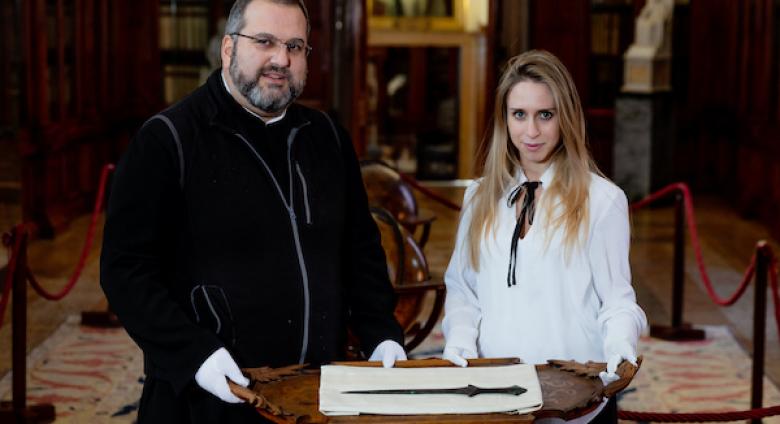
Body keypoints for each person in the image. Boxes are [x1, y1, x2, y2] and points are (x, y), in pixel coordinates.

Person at [100, 0, 406, 422]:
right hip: (208, 395)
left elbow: (361, 252)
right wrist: (193, 355)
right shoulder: (166, 140)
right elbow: (125, 272)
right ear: (228, 48)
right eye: (265, 41)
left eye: (296, 47)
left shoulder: (328, 138)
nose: (281, 59)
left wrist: (381, 333)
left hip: (317, 395)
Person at [441, 50, 647, 423]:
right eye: (519, 114)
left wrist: (620, 345)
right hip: (495, 394)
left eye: (545, 115)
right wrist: (459, 340)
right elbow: (462, 290)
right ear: (505, 119)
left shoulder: (602, 200)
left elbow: (618, 302)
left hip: (577, 398)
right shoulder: (479, 196)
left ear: (564, 117)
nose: (531, 131)